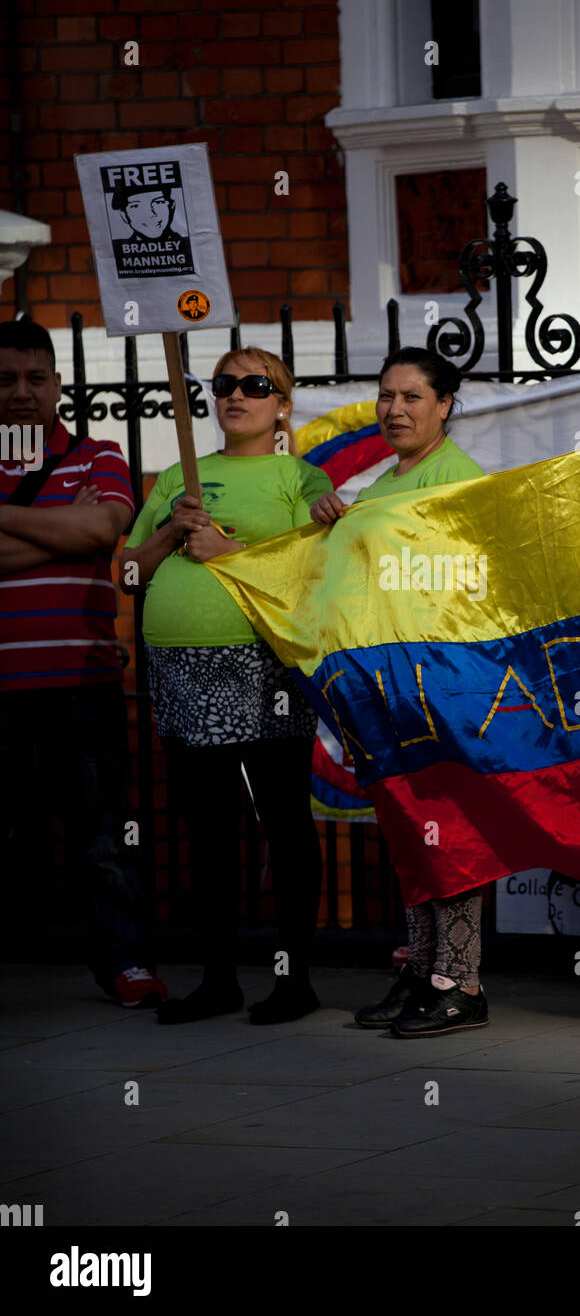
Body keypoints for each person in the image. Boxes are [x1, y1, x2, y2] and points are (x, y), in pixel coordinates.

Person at [121, 347, 332, 1025]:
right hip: (181, 670)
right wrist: (170, 533)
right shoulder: (182, 478)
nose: (236, 394)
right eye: (223, 384)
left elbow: (314, 576)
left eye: (255, 384)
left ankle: (294, 979)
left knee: (282, 822)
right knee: (209, 829)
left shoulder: (300, 477)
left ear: (283, 402)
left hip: (261, 666)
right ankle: (219, 980)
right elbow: (128, 574)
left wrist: (229, 553)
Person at [311, 347, 487, 1038]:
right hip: (387, 690)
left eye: (413, 397)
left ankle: (461, 982)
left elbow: (468, 581)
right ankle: (421, 970)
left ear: (444, 406)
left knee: (452, 833)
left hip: (441, 686)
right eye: (387, 396)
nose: (395, 409)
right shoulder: (382, 484)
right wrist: (337, 523)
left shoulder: (460, 478)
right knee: (411, 833)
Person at [0, 319, 165, 1008]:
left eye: (36, 378)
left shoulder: (100, 454)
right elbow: (82, 533)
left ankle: (123, 963)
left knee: (102, 834)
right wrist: (66, 533)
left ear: (58, 385)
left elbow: (104, 530)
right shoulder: (77, 478)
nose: (20, 392)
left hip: (83, 679)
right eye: (6, 379)